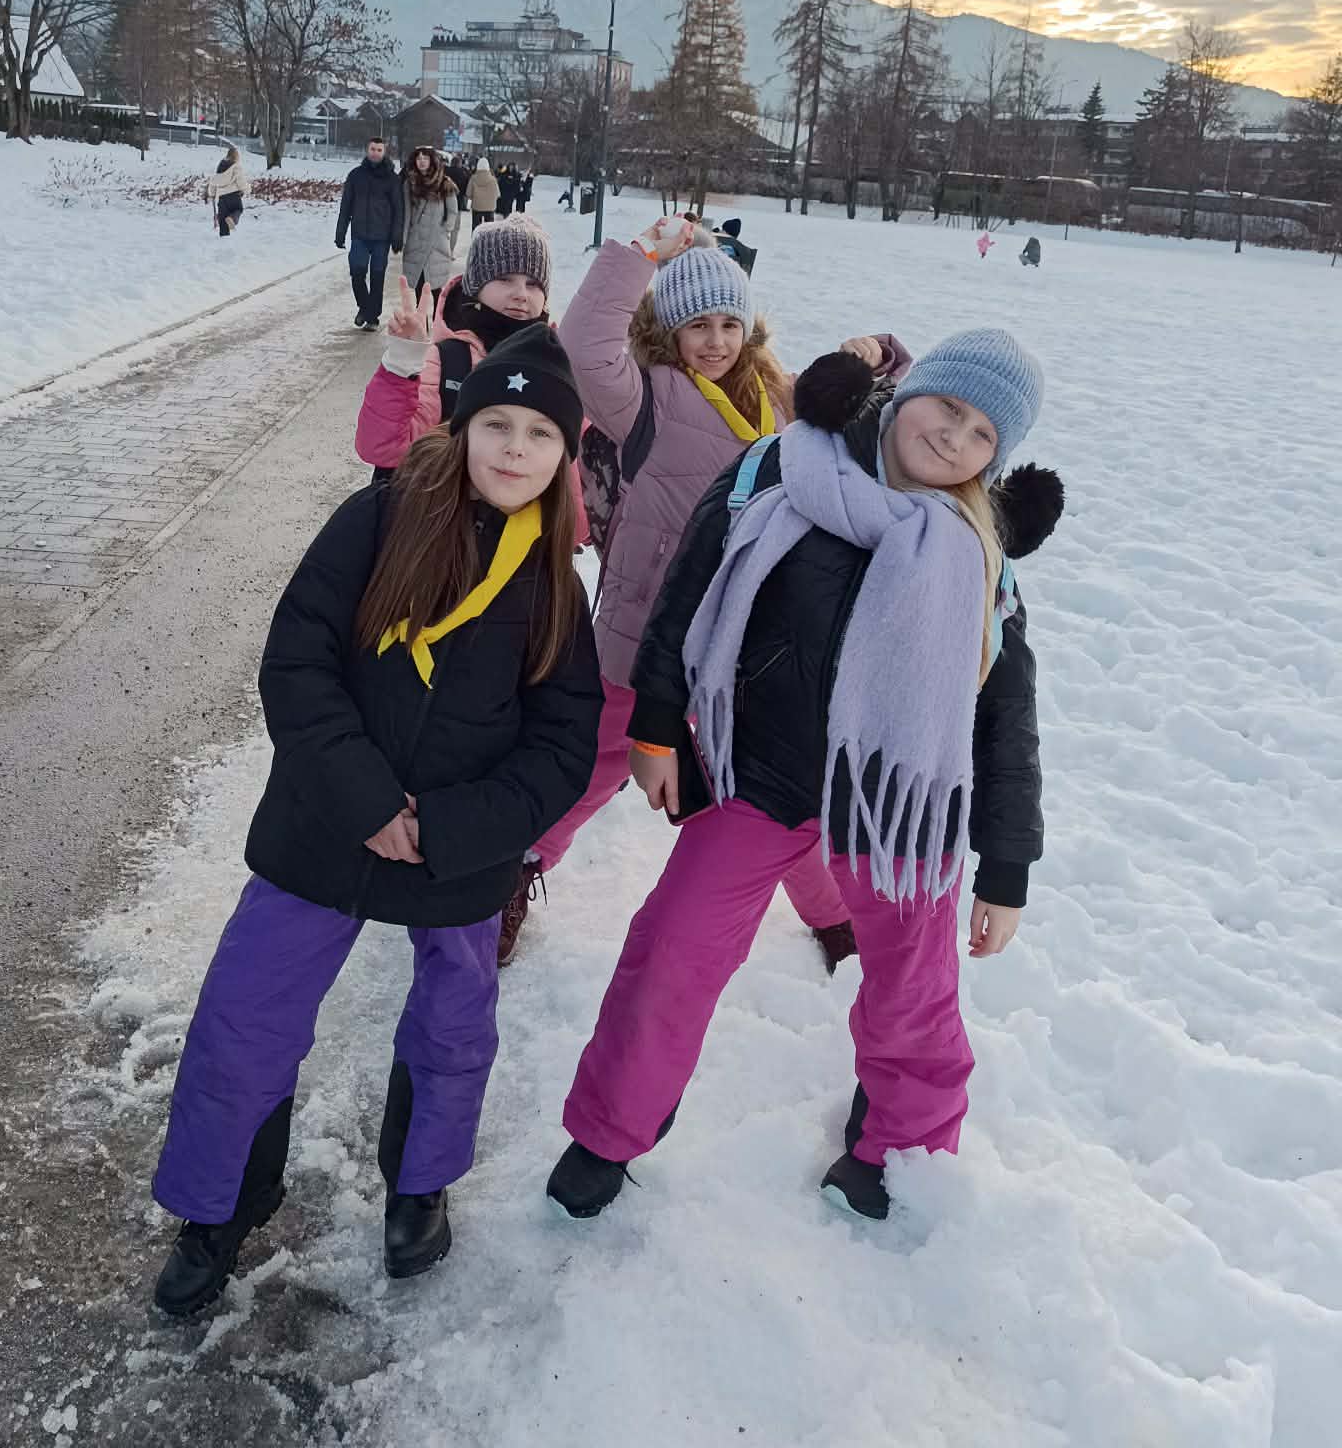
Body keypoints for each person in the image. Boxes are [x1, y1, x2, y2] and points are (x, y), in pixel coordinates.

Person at [547, 330, 1062, 1226]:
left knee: (914, 985)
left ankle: (902, 1145)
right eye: (947, 408)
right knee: (672, 950)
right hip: (763, 771)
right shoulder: (784, 469)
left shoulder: (978, 554)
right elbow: (690, 587)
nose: (954, 438)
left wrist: (1007, 866)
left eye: (983, 434)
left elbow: (1004, 716)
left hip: (896, 807)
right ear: (909, 393)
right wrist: (659, 720)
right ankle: (608, 1130)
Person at [150, 324, 604, 1316]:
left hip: (454, 853)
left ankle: (420, 1185)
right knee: (244, 1015)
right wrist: (363, 799)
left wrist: (447, 828)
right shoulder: (380, 517)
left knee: (454, 1024)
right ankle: (219, 1208)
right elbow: (297, 659)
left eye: (539, 433)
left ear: (564, 455)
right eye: (498, 424)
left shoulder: (557, 588)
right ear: (464, 426)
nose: (515, 448)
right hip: (323, 822)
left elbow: (562, 746)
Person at [496, 216, 910, 967]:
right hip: (645, 629)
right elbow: (586, 342)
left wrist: (877, 355)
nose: (715, 341)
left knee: (763, 787)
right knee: (595, 762)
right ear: (667, 331)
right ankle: (517, 867)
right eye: (696, 326)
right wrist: (640, 256)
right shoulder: (645, 399)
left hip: (748, 641)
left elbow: (874, 420)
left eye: (728, 324)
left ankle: (830, 916)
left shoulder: (783, 400)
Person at [355, 217, 554, 476]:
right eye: (505, 279)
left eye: (533, 284)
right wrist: (403, 362)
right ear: (475, 287)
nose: (521, 294)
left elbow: (572, 477)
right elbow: (383, 446)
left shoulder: (557, 366)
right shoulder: (448, 361)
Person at [336, 139, 404, 332]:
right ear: (367, 150)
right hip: (360, 235)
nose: (375, 152)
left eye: (379, 150)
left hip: (382, 237)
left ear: (384, 152)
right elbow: (346, 206)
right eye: (372, 149)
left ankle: (372, 318)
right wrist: (340, 232)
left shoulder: (392, 179)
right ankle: (365, 308)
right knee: (357, 273)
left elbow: (399, 209)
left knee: (377, 276)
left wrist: (397, 235)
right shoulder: (356, 175)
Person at [399, 146, 461, 315]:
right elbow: (407, 212)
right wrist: (404, 237)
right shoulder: (409, 183)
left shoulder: (443, 183)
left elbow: (453, 211)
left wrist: (445, 229)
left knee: (435, 287)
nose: (422, 162)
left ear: (432, 161)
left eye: (425, 158)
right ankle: (421, 323)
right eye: (418, 158)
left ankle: (437, 322)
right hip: (416, 240)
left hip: (436, 242)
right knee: (419, 287)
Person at [205, 145, 251, 237]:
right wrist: (247, 190)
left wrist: (212, 194)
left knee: (222, 221)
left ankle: (223, 239)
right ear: (236, 156)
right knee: (238, 209)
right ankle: (232, 219)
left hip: (222, 198)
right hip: (234, 196)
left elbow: (213, 182)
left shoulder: (220, 168)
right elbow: (241, 182)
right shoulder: (236, 167)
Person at [467, 157, 499, 230]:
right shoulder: (493, 179)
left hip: (477, 207)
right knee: (489, 229)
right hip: (490, 208)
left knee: (476, 228)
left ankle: (476, 237)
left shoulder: (473, 178)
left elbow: (468, 193)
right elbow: (497, 194)